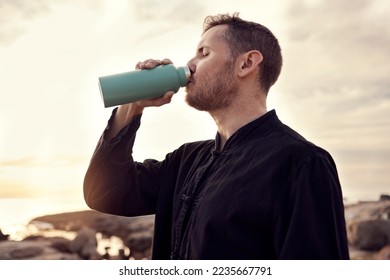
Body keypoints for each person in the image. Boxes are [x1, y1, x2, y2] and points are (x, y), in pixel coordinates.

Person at [84, 13, 350, 260]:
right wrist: (132, 106)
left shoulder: (302, 163)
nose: (190, 64)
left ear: (246, 63)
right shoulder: (185, 161)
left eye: (204, 53)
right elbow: (105, 193)